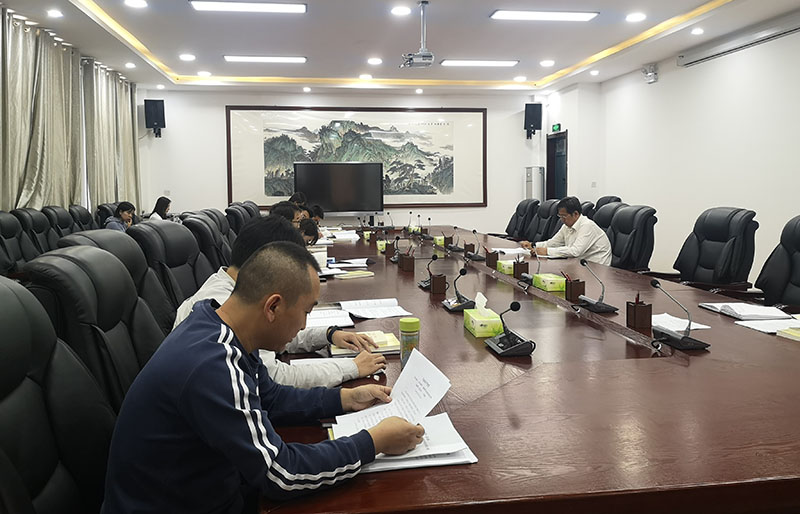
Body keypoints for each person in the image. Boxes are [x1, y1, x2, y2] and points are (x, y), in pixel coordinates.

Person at [101, 241, 424, 513]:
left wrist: (345, 398)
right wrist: (373, 442)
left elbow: (270, 397)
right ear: (273, 307)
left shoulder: (218, 326)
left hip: (206, 491)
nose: (304, 325)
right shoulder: (213, 364)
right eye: (306, 311)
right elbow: (282, 475)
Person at [174, 215, 384, 387]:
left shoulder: (232, 288)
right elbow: (273, 378)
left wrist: (328, 335)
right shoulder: (222, 307)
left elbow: (276, 333)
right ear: (270, 263)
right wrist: (351, 368)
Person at [520, 196, 612, 265]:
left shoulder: (587, 226)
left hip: (598, 269)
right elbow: (553, 243)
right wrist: (533, 245)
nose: (562, 220)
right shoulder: (567, 226)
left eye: (564, 216)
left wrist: (547, 251)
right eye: (560, 216)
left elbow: (575, 251)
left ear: (575, 214)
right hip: (580, 265)